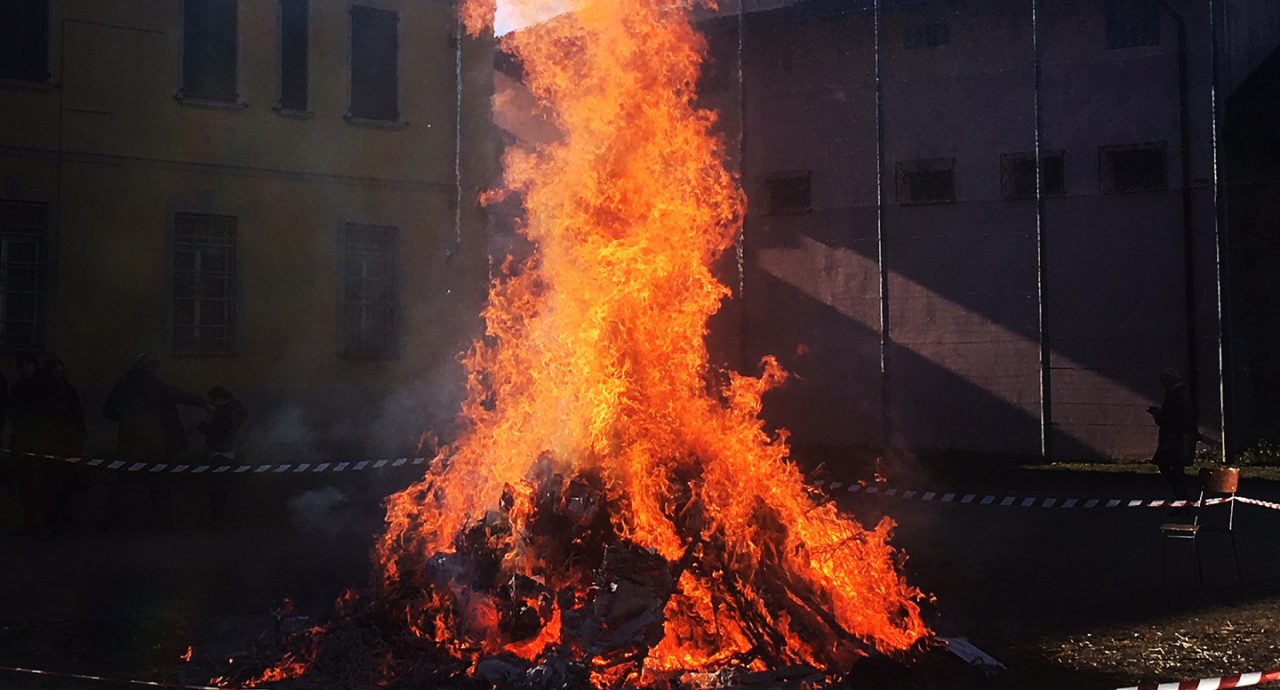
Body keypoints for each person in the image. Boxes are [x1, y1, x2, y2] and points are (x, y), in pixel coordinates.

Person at [102, 354, 205, 528]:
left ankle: (114, 520)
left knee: (123, 482)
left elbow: (108, 411)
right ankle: (161, 521)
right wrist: (203, 403)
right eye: (153, 367)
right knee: (158, 483)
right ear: (148, 368)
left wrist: (124, 419)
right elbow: (179, 395)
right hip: (153, 443)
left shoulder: (122, 384)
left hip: (129, 443)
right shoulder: (155, 385)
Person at [198, 386, 247, 523]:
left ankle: (217, 518)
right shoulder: (237, 411)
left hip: (220, 453)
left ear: (219, 399)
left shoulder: (224, 414)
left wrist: (204, 429)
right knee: (224, 487)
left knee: (217, 488)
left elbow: (219, 432)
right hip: (230, 451)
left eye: (212, 401)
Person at [1148, 368, 1197, 503]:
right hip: (1178, 438)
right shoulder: (1178, 394)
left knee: (1170, 467)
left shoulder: (1176, 395)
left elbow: (1174, 418)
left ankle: (1182, 500)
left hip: (1175, 439)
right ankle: (1181, 500)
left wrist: (1159, 415)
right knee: (1175, 469)